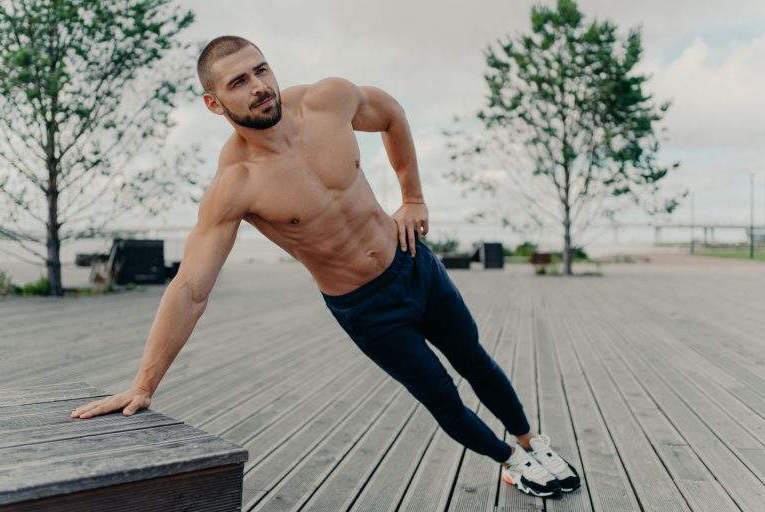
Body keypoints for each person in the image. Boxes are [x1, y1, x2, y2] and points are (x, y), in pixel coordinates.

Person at [70, 35, 579, 498]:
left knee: (475, 360)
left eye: (261, 70)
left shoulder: (327, 100)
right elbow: (190, 288)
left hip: (413, 263)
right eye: (239, 82)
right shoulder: (237, 184)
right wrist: (144, 383)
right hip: (365, 307)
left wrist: (414, 198)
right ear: (214, 102)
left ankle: (533, 441)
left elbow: (392, 114)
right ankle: (511, 461)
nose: (260, 87)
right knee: (442, 397)